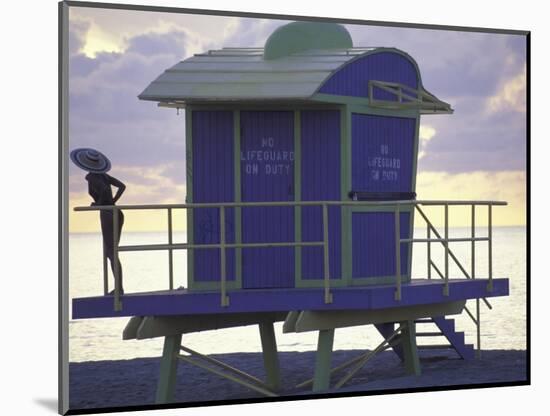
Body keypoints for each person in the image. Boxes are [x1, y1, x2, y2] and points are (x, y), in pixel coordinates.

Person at [70, 148, 126, 295]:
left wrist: (100, 203)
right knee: (112, 252)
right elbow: (122, 186)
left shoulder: (94, 178)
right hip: (115, 212)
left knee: (111, 253)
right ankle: (119, 287)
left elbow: (104, 191)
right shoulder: (104, 176)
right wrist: (112, 201)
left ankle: (119, 289)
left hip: (108, 213)